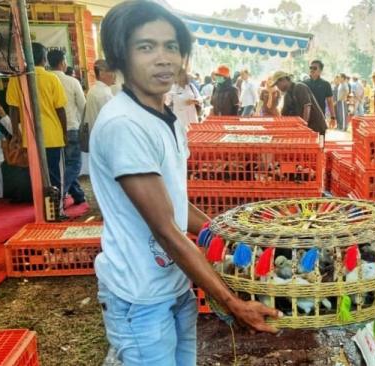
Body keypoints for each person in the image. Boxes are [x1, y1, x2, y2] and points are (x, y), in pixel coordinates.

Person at [92, 1, 280, 364]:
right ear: (120, 55)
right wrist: (231, 301)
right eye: (146, 47)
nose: (163, 58)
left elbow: (176, 205)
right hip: (140, 295)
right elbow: (166, 229)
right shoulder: (124, 125)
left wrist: (226, 234)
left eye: (171, 46)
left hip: (174, 284)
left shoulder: (166, 115)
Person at [7, 42, 68, 210]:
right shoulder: (51, 78)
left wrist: (16, 133)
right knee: (55, 176)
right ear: (44, 59)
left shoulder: (17, 79)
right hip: (53, 137)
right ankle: (57, 210)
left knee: (36, 177)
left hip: (30, 137)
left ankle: (42, 210)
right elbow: (60, 110)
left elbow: (13, 108)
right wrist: (64, 133)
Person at [48, 49, 87, 208]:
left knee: (61, 165)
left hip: (51, 129)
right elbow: (83, 106)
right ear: (63, 62)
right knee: (74, 164)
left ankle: (77, 194)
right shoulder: (72, 81)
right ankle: (61, 194)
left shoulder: (46, 80)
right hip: (71, 127)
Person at [81, 59, 116, 176]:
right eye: (111, 71)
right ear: (101, 73)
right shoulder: (104, 94)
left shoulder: (94, 90)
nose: (114, 75)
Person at [272, 70, 327, 135]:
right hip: (305, 127)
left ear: (284, 80)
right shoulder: (287, 95)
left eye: (277, 84)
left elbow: (307, 106)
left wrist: (304, 124)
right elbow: (284, 113)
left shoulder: (299, 87)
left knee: (318, 144)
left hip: (316, 126)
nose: (278, 88)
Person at [304, 60, 336, 127]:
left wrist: (333, 117)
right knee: (309, 137)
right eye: (311, 67)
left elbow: (330, 101)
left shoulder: (326, 84)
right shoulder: (304, 83)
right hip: (306, 118)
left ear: (320, 71)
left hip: (320, 117)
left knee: (321, 136)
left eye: (315, 68)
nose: (312, 70)